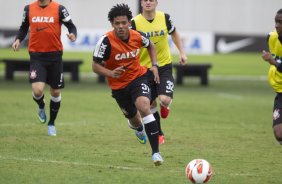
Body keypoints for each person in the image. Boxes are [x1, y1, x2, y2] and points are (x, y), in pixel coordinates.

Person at [92, 3, 163, 166]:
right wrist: (110, 73)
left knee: (145, 106)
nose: (121, 26)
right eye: (117, 23)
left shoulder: (137, 36)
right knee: (135, 120)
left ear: (129, 23)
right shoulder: (105, 42)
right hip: (118, 87)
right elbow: (95, 66)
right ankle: (137, 129)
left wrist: (154, 65)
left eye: (124, 23)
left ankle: (156, 153)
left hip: (138, 78)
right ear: (112, 24)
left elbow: (151, 46)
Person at [12, 0, 77, 136]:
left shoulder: (59, 9)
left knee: (55, 92)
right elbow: (24, 27)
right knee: (37, 90)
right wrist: (18, 39)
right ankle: (41, 105)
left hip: (55, 56)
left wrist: (72, 34)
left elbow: (71, 26)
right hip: (37, 55)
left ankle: (51, 123)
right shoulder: (28, 9)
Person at [131, 0, 187, 144]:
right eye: (145, 0)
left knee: (164, 99)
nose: (148, 2)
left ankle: (165, 106)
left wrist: (182, 52)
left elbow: (174, 33)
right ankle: (159, 133)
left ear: (156, 2)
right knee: (149, 105)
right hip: (144, 69)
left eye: (151, 0)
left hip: (164, 66)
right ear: (141, 4)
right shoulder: (135, 23)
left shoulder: (165, 18)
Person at [262, 8, 282, 145]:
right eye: (275, 21)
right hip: (280, 92)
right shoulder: (272, 37)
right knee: (279, 133)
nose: (276, 25)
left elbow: (275, 61)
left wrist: (273, 61)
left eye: (280, 22)